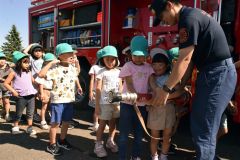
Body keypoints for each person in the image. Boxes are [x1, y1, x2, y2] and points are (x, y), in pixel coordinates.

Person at [149, 1, 237, 160]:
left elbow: (184, 59)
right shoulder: (190, 16)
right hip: (212, 73)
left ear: (169, 5)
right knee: (200, 123)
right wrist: (181, 85)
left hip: (217, 73)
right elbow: (190, 60)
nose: (163, 22)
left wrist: (166, 90)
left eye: (162, 17)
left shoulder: (188, 19)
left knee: (204, 127)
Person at [38, 43, 81, 156]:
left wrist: (77, 62)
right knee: (55, 123)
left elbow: (78, 72)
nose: (71, 55)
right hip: (58, 101)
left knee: (66, 122)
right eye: (68, 54)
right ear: (60, 56)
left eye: (72, 53)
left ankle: (62, 140)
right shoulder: (55, 69)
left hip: (69, 100)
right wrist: (51, 62)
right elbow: (41, 74)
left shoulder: (72, 68)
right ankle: (51, 144)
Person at [118, 36, 154, 160]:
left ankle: (136, 156)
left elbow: (151, 83)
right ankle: (122, 157)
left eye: (141, 55)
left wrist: (156, 93)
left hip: (142, 106)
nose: (138, 58)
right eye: (136, 55)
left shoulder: (149, 68)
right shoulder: (128, 66)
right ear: (131, 54)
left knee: (139, 135)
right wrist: (135, 96)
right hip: (127, 104)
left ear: (146, 55)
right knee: (124, 134)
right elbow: (129, 83)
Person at [94, 45, 122, 158]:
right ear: (102, 60)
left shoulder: (119, 72)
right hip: (104, 103)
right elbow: (98, 88)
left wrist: (119, 99)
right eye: (107, 59)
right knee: (102, 124)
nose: (110, 62)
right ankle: (98, 145)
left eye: (112, 59)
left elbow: (120, 86)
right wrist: (97, 105)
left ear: (116, 60)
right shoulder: (101, 71)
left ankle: (110, 141)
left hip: (116, 102)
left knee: (113, 123)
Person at [4, 51, 37, 135]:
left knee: (30, 113)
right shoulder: (13, 72)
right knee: (19, 112)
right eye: (25, 62)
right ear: (19, 63)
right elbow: (6, 83)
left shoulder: (29, 72)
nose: (27, 64)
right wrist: (13, 91)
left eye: (28, 62)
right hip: (20, 96)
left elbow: (33, 81)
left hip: (31, 95)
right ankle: (15, 126)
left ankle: (30, 127)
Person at [89, 49, 109, 132]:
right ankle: (95, 123)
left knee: (103, 108)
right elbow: (92, 80)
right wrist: (90, 91)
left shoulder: (106, 68)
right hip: (95, 91)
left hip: (104, 92)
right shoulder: (94, 67)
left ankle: (102, 123)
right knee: (96, 108)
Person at [35, 53, 56, 130]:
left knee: (52, 107)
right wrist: (42, 93)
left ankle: (51, 119)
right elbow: (40, 83)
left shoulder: (54, 70)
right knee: (44, 107)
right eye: (49, 61)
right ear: (45, 62)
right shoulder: (44, 70)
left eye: (52, 61)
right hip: (45, 90)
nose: (51, 63)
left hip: (53, 91)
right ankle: (42, 121)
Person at [24, 43, 44, 122]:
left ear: (42, 52)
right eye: (36, 51)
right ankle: (34, 114)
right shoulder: (32, 60)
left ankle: (44, 115)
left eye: (39, 51)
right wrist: (31, 45)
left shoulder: (44, 60)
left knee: (44, 98)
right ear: (32, 52)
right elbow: (25, 52)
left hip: (42, 82)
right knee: (33, 99)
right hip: (33, 82)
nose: (38, 52)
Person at [0, 52, 13, 122]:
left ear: (5, 60)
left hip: (6, 88)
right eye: (0, 59)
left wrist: (4, 79)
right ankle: (2, 113)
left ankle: (7, 114)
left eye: (3, 59)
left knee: (6, 101)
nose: (2, 61)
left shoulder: (9, 69)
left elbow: (13, 78)